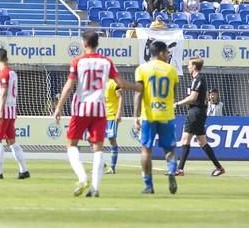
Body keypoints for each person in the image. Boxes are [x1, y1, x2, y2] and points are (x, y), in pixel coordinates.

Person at [52, 31, 140, 197]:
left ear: (84, 43)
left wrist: (59, 107)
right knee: (98, 148)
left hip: (81, 108)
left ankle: (83, 177)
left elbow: (69, 85)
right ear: (97, 43)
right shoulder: (107, 62)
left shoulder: (78, 61)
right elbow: (120, 83)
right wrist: (137, 87)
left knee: (71, 145)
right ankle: (95, 188)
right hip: (100, 109)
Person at [133, 40, 180, 194]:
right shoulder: (171, 70)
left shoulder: (142, 69)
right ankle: (172, 171)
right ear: (160, 53)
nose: (167, 55)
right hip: (167, 114)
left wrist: (135, 116)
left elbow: (138, 93)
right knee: (169, 149)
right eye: (167, 52)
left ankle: (148, 185)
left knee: (146, 150)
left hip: (149, 115)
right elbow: (173, 91)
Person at [0, 48, 30, 180]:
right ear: (7, 59)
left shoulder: (3, 74)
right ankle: (24, 170)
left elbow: (3, 93)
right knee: (11, 141)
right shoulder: (13, 73)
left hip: (2, 111)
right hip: (11, 112)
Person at [174, 58, 225, 177]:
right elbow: (205, 96)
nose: (187, 66)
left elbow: (192, 97)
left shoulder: (199, 79)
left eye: (189, 65)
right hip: (196, 112)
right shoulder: (195, 80)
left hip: (195, 112)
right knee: (198, 141)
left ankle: (180, 169)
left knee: (191, 140)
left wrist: (177, 104)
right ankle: (218, 167)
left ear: (195, 66)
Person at [103, 78, 123, 174]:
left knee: (112, 140)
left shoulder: (113, 83)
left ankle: (112, 167)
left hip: (112, 115)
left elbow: (120, 97)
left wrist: (119, 113)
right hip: (101, 116)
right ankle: (101, 163)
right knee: (92, 138)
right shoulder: (99, 83)